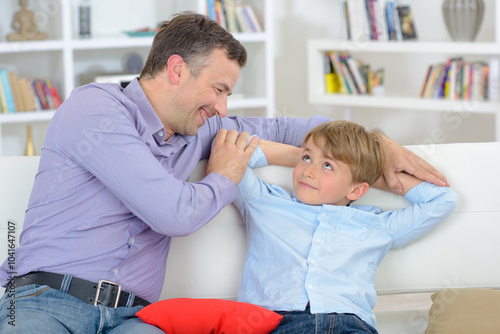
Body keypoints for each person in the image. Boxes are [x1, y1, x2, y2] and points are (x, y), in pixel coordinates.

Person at [0, 12, 447, 333]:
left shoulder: (202, 126)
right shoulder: (96, 107)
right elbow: (172, 213)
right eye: (219, 89)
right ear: (177, 69)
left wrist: (378, 144)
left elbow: (298, 130)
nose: (223, 108)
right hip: (46, 301)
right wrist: (226, 174)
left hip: (133, 319)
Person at [233, 120, 458, 334]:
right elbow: (232, 152)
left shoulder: (376, 225)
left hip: (350, 324)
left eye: (328, 166)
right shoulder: (264, 202)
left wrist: (379, 176)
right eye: (307, 157)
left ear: (357, 191)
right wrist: (296, 156)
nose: (308, 171)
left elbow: (442, 200)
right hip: (276, 323)